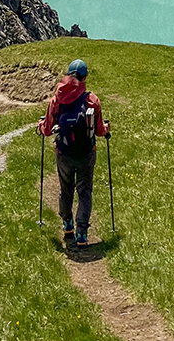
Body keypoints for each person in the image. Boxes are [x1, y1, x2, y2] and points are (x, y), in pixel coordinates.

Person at [38, 58, 110, 247]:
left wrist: (40, 126)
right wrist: (106, 128)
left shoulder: (57, 99)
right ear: (85, 77)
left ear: (68, 75)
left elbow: (46, 129)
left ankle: (67, 223)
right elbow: (100, 131)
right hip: (86, 153)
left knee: (66, 189)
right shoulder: (92, 100)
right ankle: (82, 234)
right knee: (84, 191)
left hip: (64, 152)